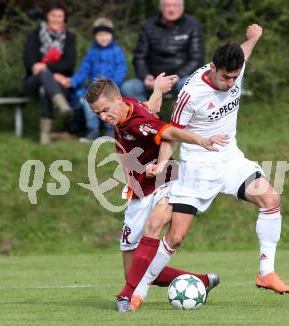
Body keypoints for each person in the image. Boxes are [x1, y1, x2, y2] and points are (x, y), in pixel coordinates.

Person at [129, 24, 289, 311]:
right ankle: (139, 291)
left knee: (271, 199)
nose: (231, 82)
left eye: (235, 76)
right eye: (226, 77)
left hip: (230, 160)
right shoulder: (191, 94)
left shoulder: (235, 68)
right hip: (197, 168)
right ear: (214, 68)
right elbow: (172, 132)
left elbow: (243, 53)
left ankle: (266, 273)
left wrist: (253, 38)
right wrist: (162, 164)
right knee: (176, 237)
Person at [85, 74, 228, 312]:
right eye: (97, 113)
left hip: (163, 180)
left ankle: (126, 296)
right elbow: (151, 109)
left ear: (117, 99)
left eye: (105, 110)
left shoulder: (135, 120)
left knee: (154, 230)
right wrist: (159, 90)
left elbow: (169, 132)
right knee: (134, 269)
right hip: (139, 188)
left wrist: (201, 141)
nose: (102, 117)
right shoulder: (128, 106)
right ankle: (201, 281)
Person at [55, 17, 127, 142]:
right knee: (88, 103)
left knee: (111, 106)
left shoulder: (117, 52)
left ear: (111, 35)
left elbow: (121, 70)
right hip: (95, 88)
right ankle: (92, 131)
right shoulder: (92, 53)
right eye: (100, 35)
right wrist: (72, 81)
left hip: (111, 88)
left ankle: (111, 131)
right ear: (95, 36)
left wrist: (113, 85)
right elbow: (84, 70)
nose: (103, 38)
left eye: (106, 34)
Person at [121, 0, 204, 101]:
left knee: (190, 87)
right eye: (167, 6)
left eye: (175, 6)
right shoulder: (148, 26)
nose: (171, 9)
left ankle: (180, 116)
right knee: (128, 88)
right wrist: (145, 76)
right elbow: (139, 57)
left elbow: (196, 59)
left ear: (182, 7)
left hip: (180, 78)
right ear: (161, 8)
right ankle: (148, 115)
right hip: (152, 79)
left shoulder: (193, 26)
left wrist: (178, 76)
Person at [23, 0, 76, 144]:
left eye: (60, 16)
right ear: (47, 16)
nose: (56, 19)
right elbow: (29, 61)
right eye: (53, 15)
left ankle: (44, 136)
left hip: (59, 84)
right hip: (32, 83)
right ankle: (62, 106)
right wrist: (51, 71)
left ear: (64, 18)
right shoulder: (35, 35)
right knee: (44, 75)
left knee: (46, 87)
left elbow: (69, 64)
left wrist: (45, 66)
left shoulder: (69, 37)